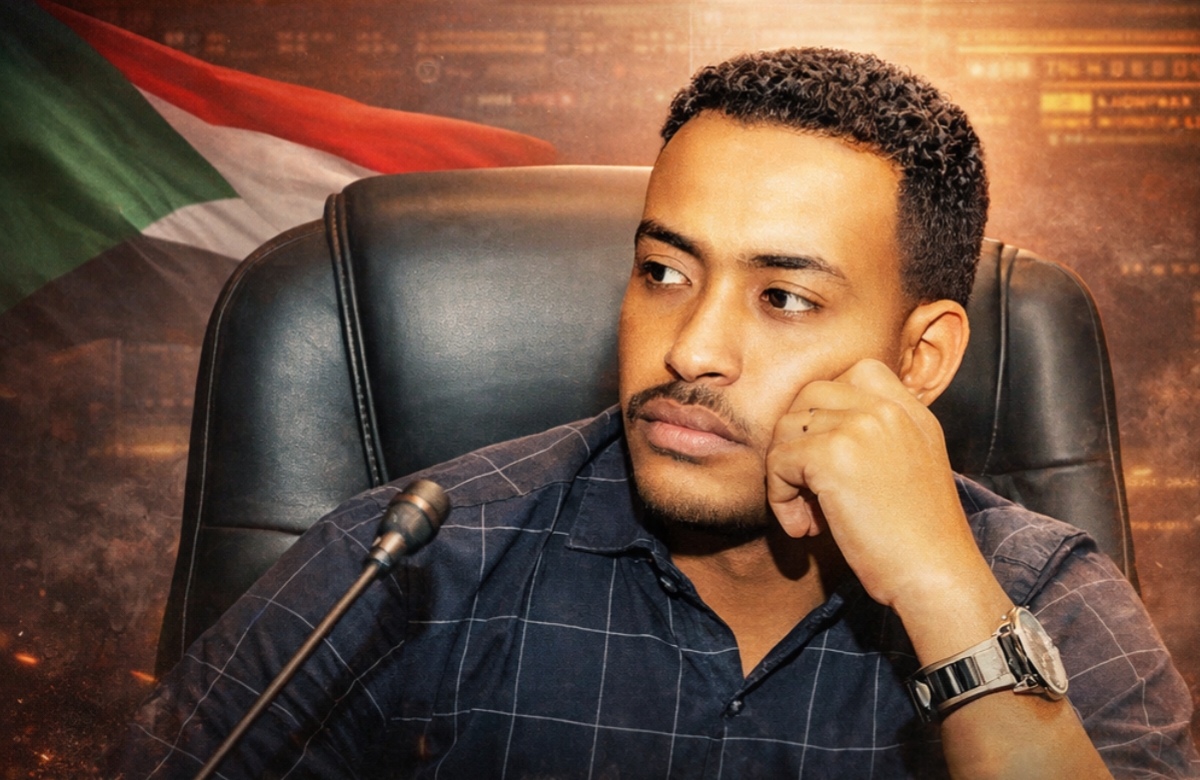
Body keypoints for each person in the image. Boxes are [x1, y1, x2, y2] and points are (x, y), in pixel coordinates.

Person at [111, 48, 1199, 779]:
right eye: (664, 272)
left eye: (783, 297)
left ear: (921, 359)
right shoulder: (409, 564)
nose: (690, 349)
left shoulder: (1046, 598)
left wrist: (945, 596)